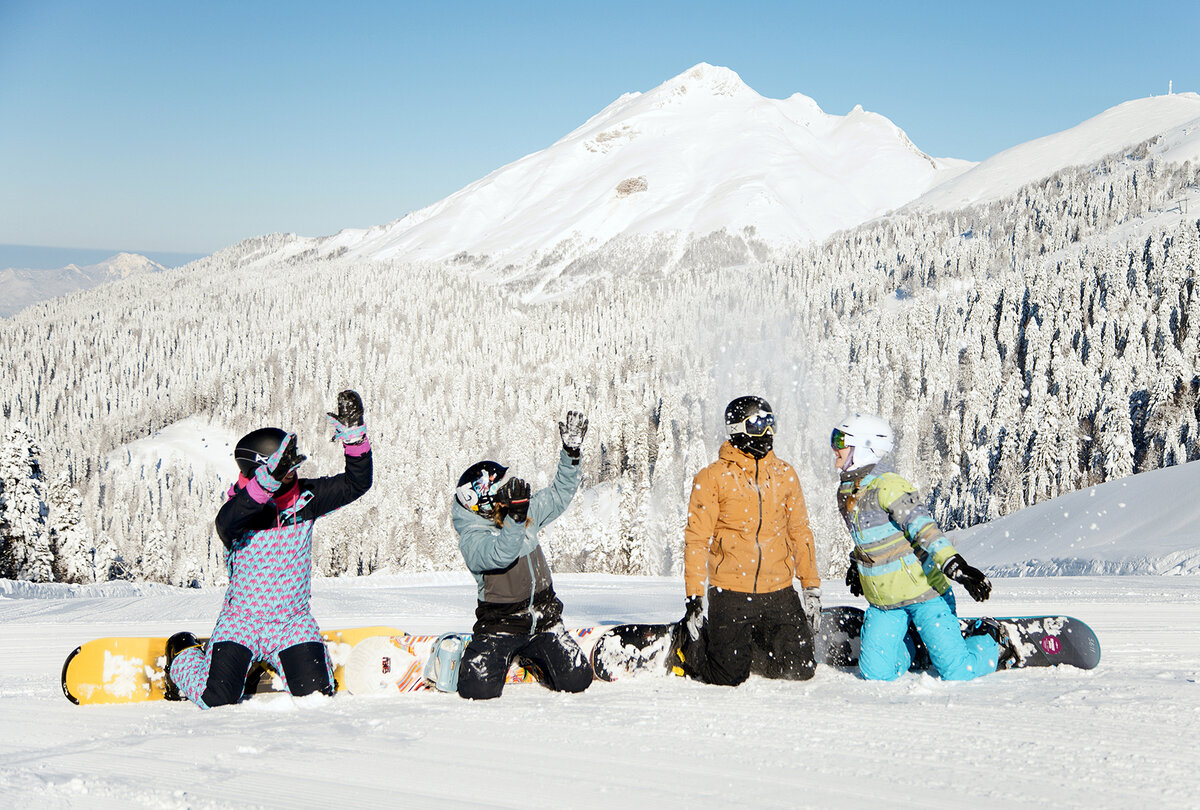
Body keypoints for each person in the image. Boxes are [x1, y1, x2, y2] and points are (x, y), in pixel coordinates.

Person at [164, 390, 373, 707]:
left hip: (292, 624)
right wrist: (268, 483)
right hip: (241, 624)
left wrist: (354, 438)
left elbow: (357, 484)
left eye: (291, 466)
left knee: (317, 695)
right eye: (285, 468)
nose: (293, 474)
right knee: (216, 699)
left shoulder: (306, 498)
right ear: (259, 471)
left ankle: (273, 663)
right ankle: (183, 653)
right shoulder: (240, 510)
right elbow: (227, 522)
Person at [831, 412, 1018, 681]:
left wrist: (954, 564)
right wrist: (856, 563)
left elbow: (924, 528)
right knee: (876, 675)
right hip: (885, 601)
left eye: (840, 440)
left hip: (925, 594)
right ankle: (919, 648)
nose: (834, 448)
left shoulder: (889, 485)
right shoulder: (848, 491)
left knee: (956, 671)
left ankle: (992, 640)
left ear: (864, 446)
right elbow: (868, 535)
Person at [676, 395, 821, 686]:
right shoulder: (712, 477)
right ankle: (686, 642)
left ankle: (749, 640)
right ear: (736, 430)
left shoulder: (785, 475)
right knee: (727, 677)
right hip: (731, 592)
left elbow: (800, 533)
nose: (767, 434)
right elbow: (697, 540)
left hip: (779, 590)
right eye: (757, 425)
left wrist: (811, 588)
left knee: (801, 668)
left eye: (771, 424)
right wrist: (694, 597)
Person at [451, 410, 593, 700]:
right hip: (500, 625)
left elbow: (559, 494)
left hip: (544, 619)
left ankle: (532, 656)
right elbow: (501, 554)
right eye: (499, 488)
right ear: (483, 499)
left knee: (578, 679)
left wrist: (571, 452)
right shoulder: (472, 537)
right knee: (478, 690)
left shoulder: (520, 513)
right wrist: (516, 517)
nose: (506, 491)